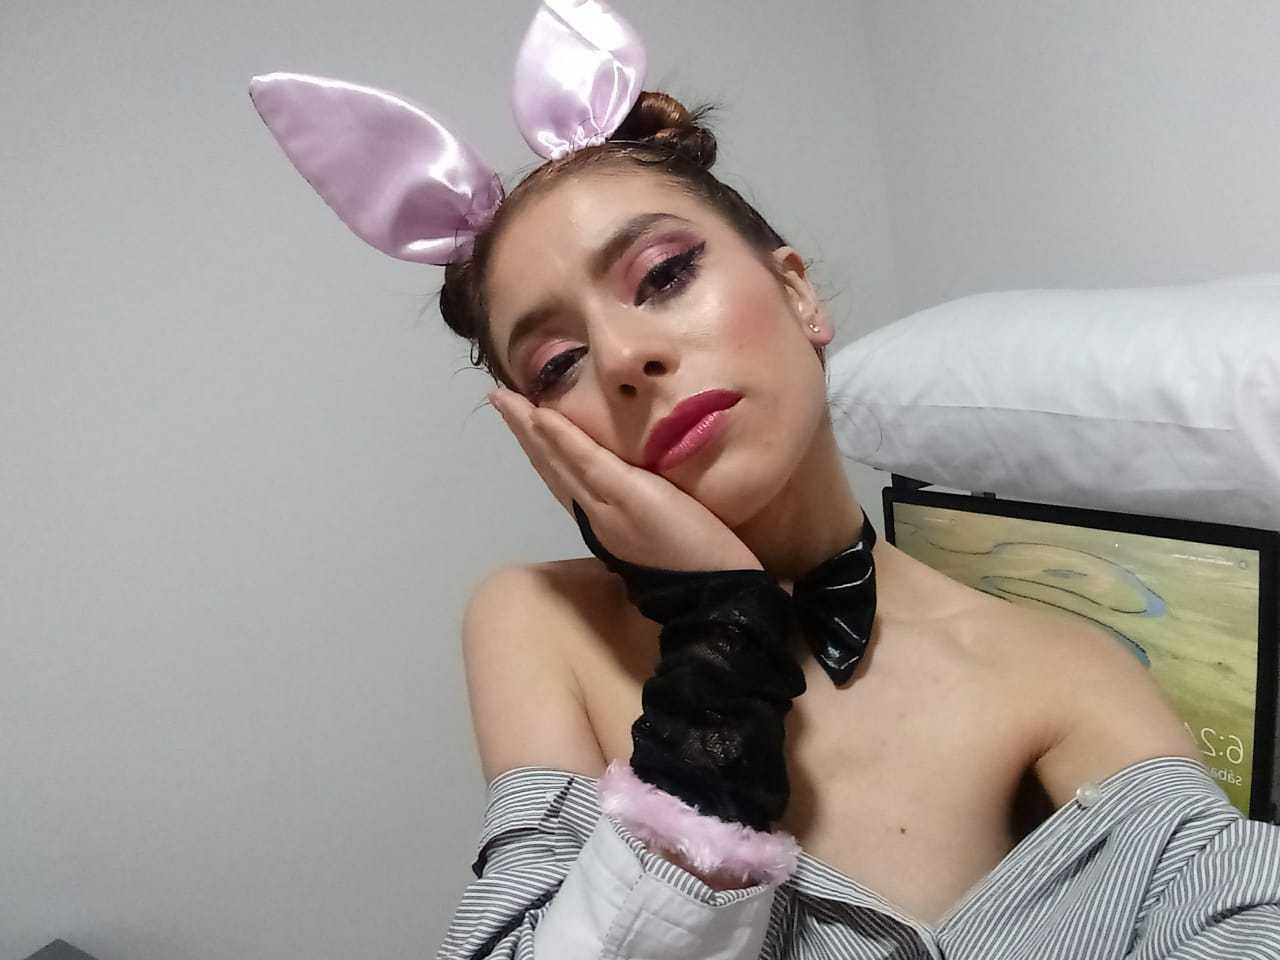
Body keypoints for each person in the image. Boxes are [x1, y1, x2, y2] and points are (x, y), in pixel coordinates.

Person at [248, 3, 1280, 957]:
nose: (624, 359)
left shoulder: (1059, 663)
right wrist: (720, 643)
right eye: (558, 364)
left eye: (663, 276)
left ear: (796, 293)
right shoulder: (537, 622)